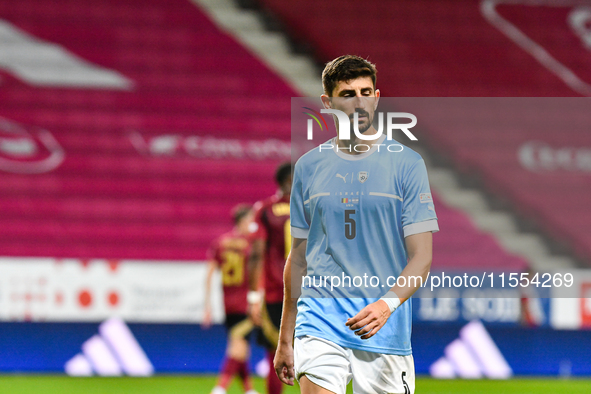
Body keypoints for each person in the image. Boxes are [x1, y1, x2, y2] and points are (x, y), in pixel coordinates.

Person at [273, 55, 439, 394]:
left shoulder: (407, 164)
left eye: (366, 92)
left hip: (382, 327)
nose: (359, 101)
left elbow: (421, 258)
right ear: (328, 102)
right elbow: (299, 257)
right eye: (348, 94)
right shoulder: (308, 167)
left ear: (377, 98)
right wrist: (286, 337)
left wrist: (386, 304)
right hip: (319, 318)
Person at [204, 204, 259, 394]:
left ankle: (248, 389)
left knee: (240, 345)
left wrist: (207, 306)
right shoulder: (251, 244)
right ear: (243, 221)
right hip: (246, 302)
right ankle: (220, 387)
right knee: (238, 347)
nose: (253, 225)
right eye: (251, 221)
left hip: (228, 303)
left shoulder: (221, 242)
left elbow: (209, 274)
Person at [248, 162, 293, 394]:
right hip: (310, 292)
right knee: (315, 355)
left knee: (276, 354)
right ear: (290, 181)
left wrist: (254, 295)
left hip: (277, 293)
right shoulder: (312, 207)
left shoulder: (265, 209)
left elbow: (256, 253)